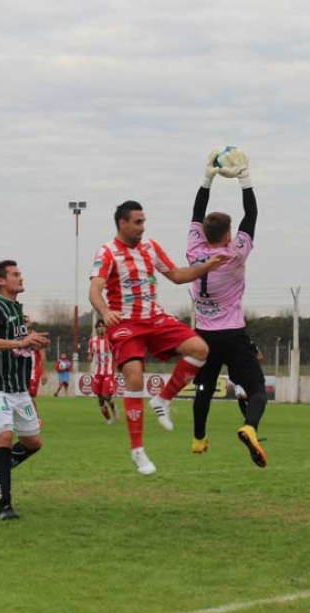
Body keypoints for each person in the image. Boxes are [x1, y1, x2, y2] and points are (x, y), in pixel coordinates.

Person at [89, 199, 229, 475]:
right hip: (125, 322)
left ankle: (162, 399)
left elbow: (177, 275)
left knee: (200, 349)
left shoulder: (150, 248)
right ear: (123, 223)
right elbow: (95, 289)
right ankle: (138, 450)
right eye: (138, 222)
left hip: (154, 319)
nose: (143, 227)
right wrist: (105, 312)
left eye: (144, 222)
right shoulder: (107, 252)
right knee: (134, 377)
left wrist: (207, 267)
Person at [186, 148, 268, 468]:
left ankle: (198, 439)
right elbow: (252, 216)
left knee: (204, 389)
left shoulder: (193, 251)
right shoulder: (235, 254)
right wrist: (244, 179)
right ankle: (249, 426)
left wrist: (207, 178)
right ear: (228, 234)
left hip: (204, 336)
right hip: (232, 334)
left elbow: (196, 213)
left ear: (205, 234)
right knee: (257, 390)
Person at [0, 260, 50, 521]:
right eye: (15, 274)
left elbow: (18, 346)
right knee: (4, 438)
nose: (21, 277)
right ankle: (5, 506)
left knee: (33, 443)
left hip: (19, 391)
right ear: (1, 281)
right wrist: (21, 341)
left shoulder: (18, 312)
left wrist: (31, 343)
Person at [88, 320, 118, 424]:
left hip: (108, 372)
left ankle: (114, 408)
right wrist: (90, 357)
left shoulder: (111, 340)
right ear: (96, 329)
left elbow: (116, 353)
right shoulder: (92, 341)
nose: (101, 328)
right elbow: (90, 354)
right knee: (100, 398)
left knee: (106, 395)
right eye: (99, 326)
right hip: (97, 372)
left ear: (106, 328)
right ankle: (108, 420)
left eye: (103, 326)